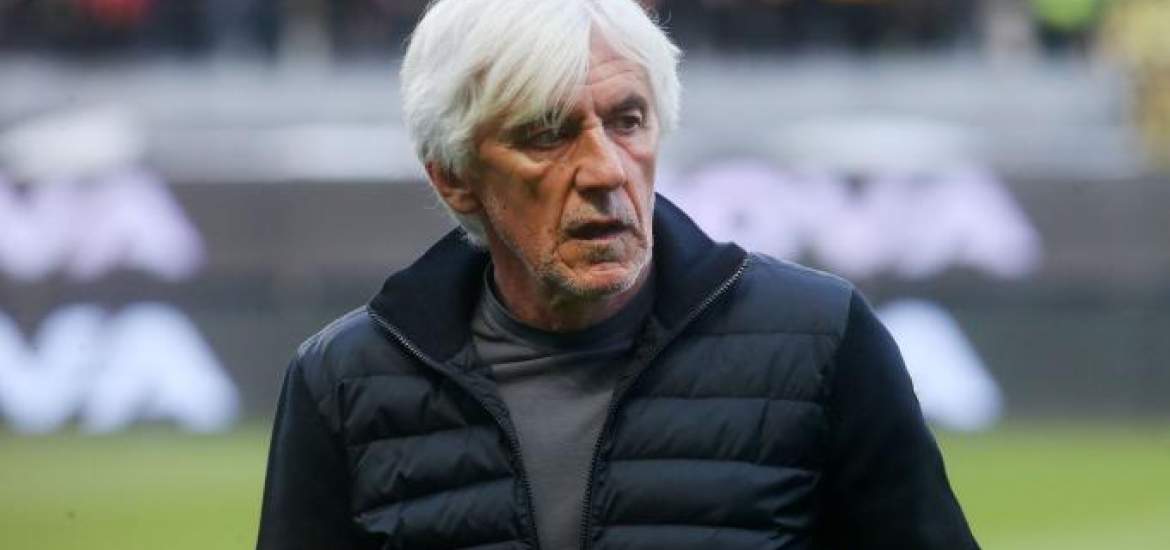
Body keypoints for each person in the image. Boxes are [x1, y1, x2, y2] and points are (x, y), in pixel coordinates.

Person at [256, 0, 980, 548]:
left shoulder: (823, 341)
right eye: (547, 133)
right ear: (454, 176)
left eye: (628, 120)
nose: (605, 170)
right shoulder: (342, 383)